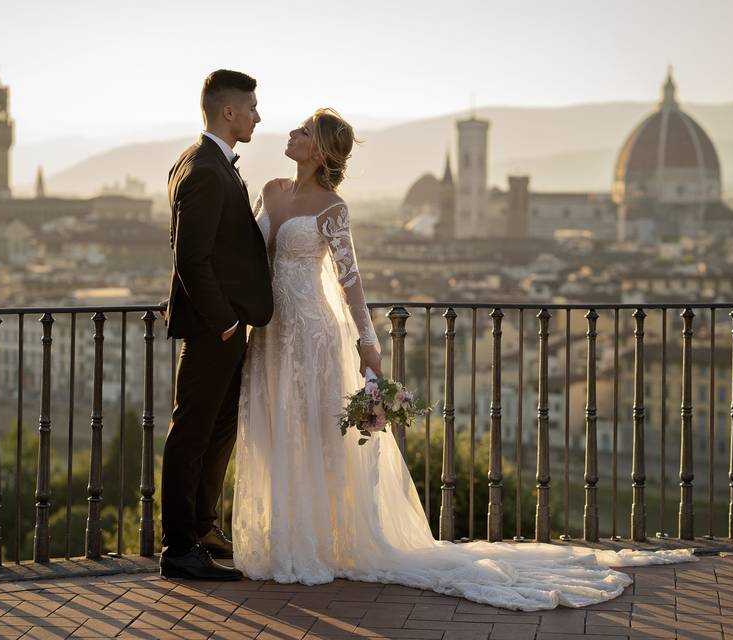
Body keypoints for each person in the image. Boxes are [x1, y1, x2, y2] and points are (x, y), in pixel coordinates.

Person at [230, 108, 694, 610]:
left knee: (317, 433)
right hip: (272, 333)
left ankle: (314, 543)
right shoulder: (271, 189)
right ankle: (283, 538)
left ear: (319, 150)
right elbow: (246, 255)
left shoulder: (333, 208)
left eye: (303, 131)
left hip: (315, 334)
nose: (292, 133)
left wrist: (368, 344)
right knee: (277, 427)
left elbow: (350, 281)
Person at [159, 69, 272, 581]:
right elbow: (191, 259)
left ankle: (203, 527)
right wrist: (226, 322)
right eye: (251, 107)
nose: (257, 115)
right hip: (214, 328)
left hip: (225, 327)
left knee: (219, 427)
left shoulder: (204, 161)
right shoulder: (205, 169)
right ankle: (179, 546)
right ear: (228, 112)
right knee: (192, 431)